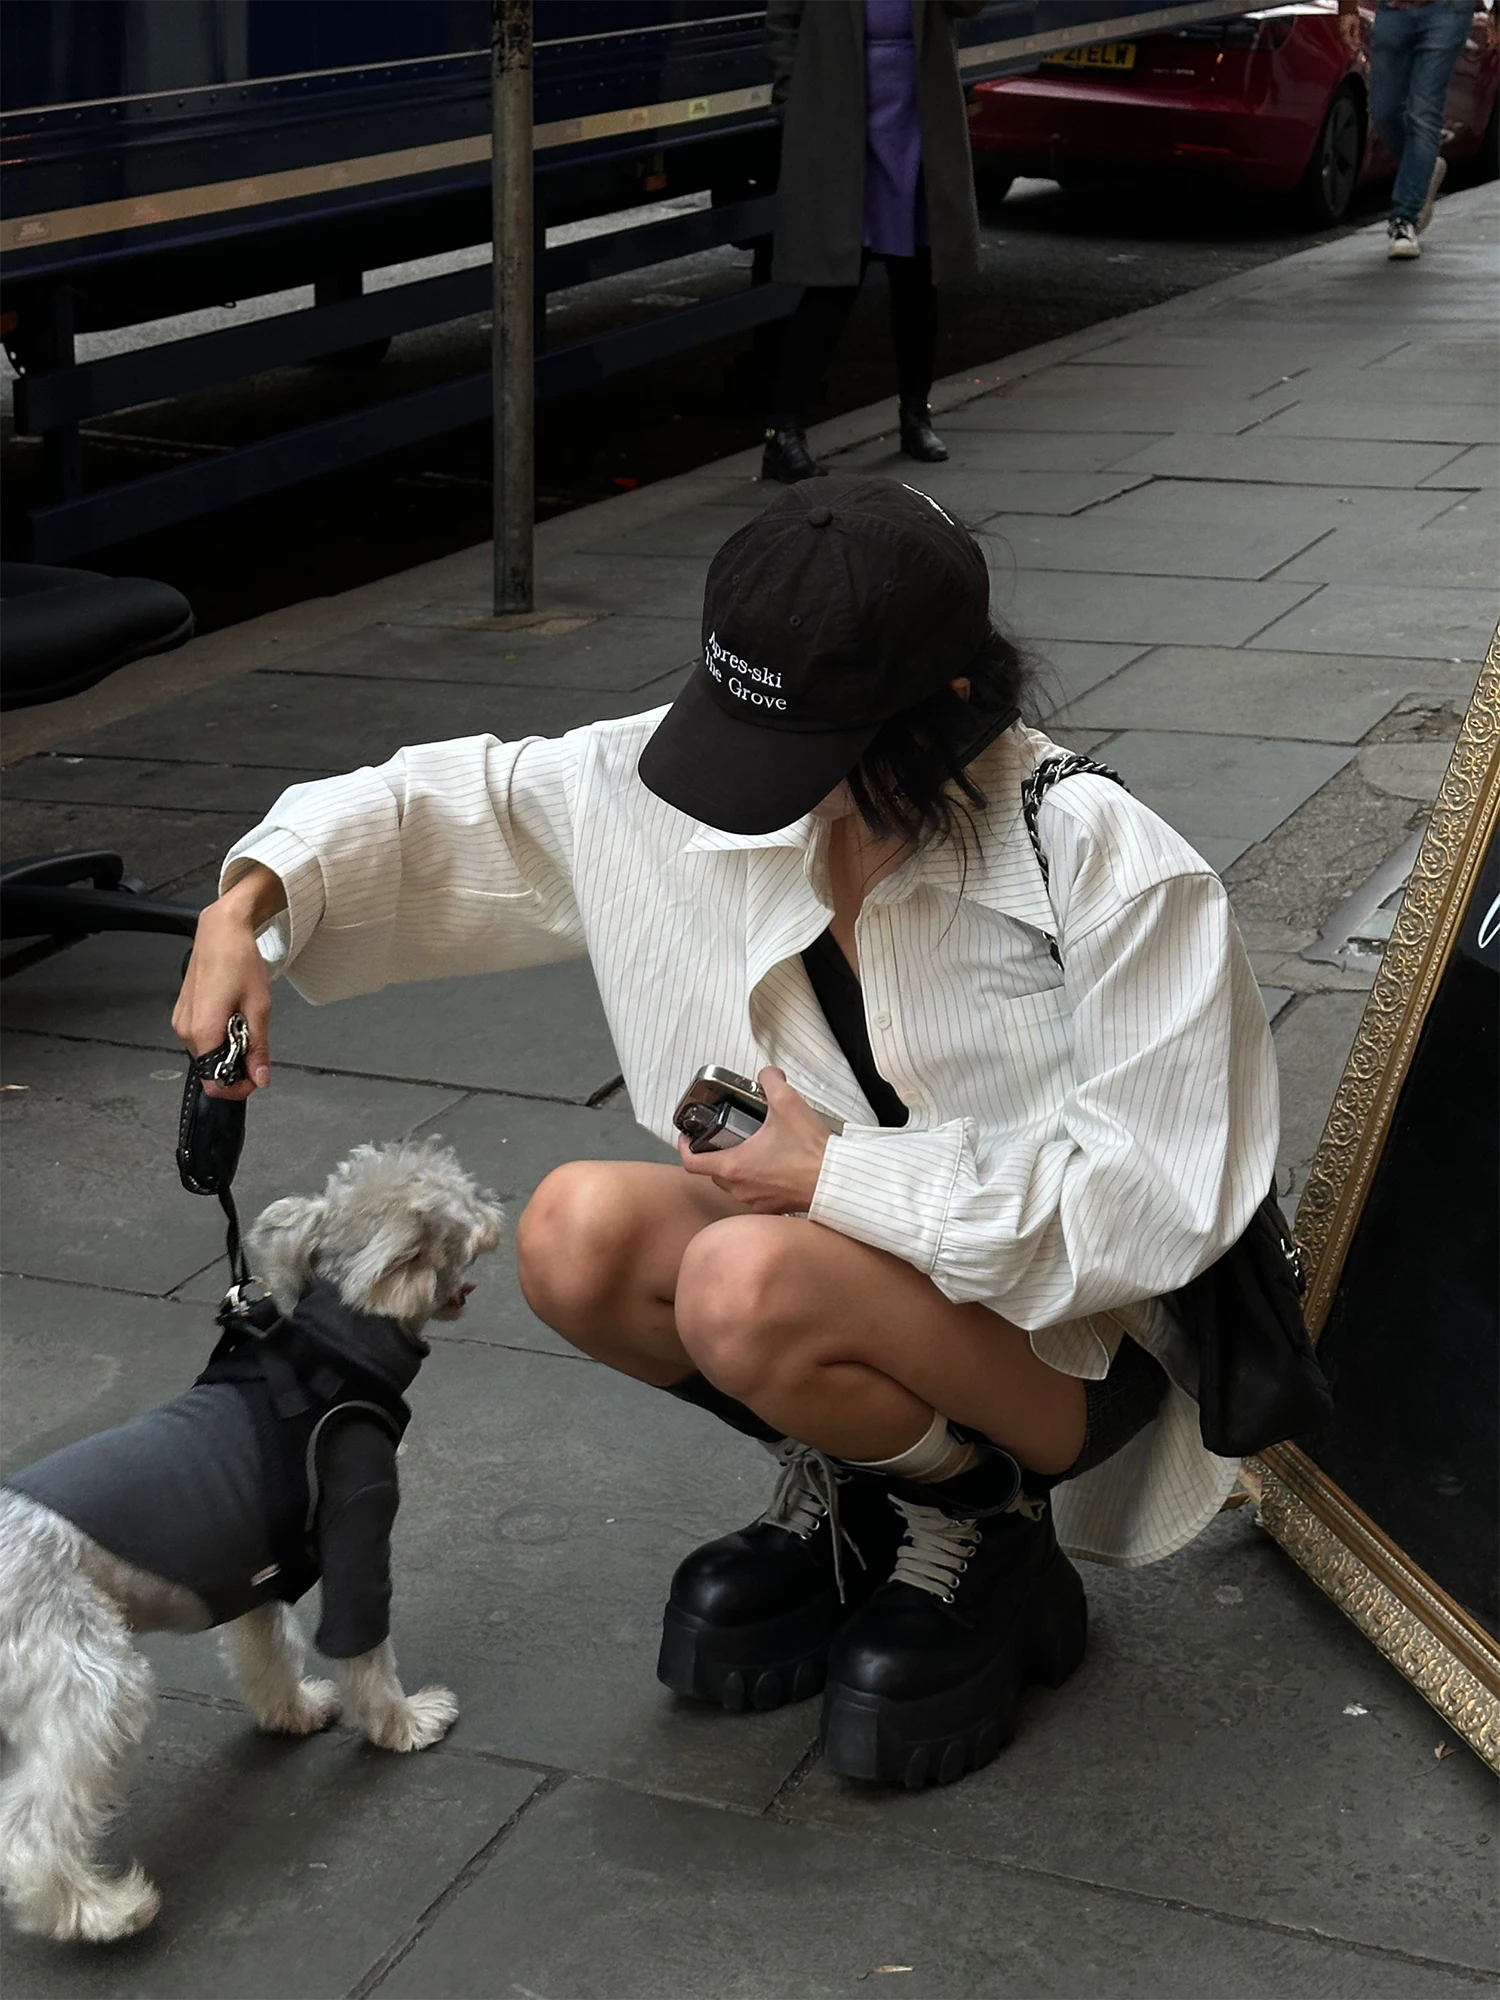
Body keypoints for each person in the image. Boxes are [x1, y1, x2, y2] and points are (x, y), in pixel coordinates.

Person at [175, 477, 1279, 1789]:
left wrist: (839, 1172)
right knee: (574, 1233)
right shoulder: (686, 777)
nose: (767, 794)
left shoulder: (1102, 862)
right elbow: (455, 806)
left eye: (814, 754)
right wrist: (249, 903)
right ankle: (876, 1487)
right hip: (828, 1272)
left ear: (956, 710)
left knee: (743, 1281)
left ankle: (984, 1522)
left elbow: (1148, 1212)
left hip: (1068, 1342)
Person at [760, 0, 987, 482]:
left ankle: (915, 417)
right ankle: (784, 434)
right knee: (834, 283)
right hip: (842, 121)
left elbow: (969, 6)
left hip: (916, 115)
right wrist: (791, 97)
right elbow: (783, 19)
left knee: (918, 279)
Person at [1340, 0, 1474, 259]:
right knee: (1384, 112)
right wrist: (1347, 9)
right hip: (1394, 10)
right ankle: (1424, 168)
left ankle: (1404, 220)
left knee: (1423, 112)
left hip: (1448, 10)